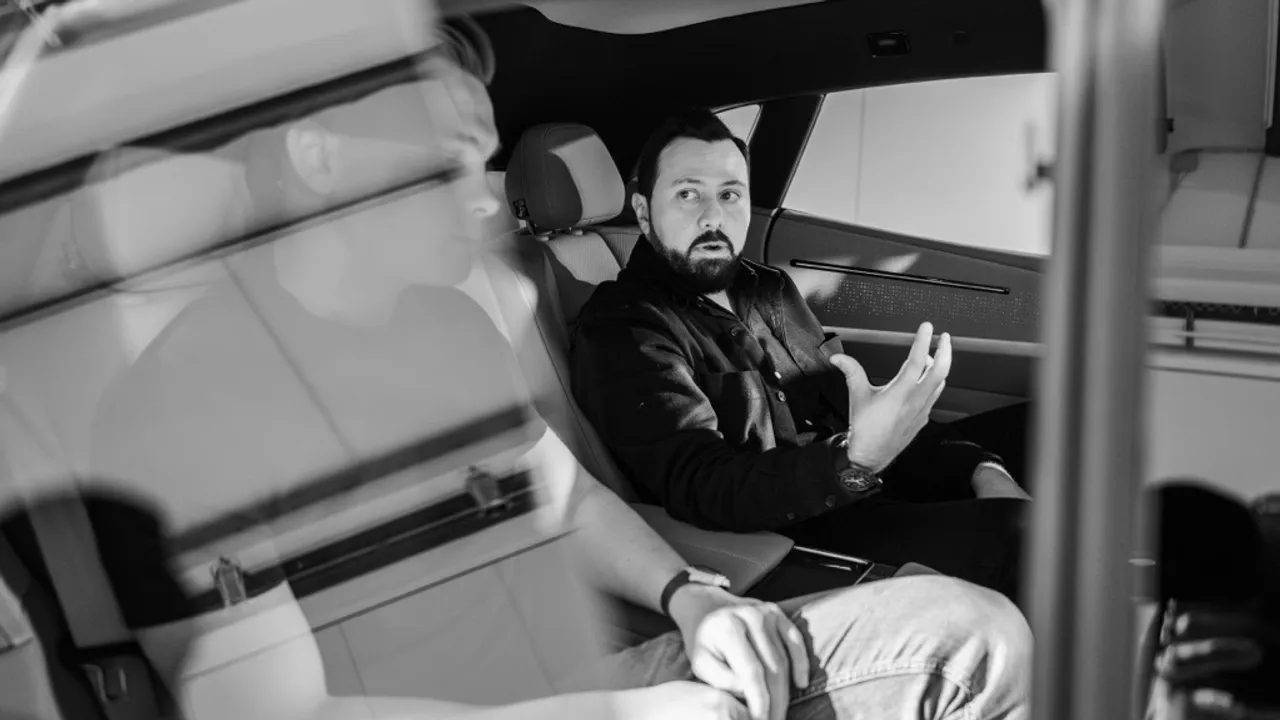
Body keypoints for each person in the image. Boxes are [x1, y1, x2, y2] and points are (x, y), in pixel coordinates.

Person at [40, 27, 1033, 720]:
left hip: (589, 669)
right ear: (322, 154)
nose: (487, 193)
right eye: (454, 148)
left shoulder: (441, 324)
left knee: (971, 633)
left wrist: (690, 598)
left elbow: (561, 502)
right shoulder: (175, 415)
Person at [569, 108, 1033, 598]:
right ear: (643, 213)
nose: (713, 216)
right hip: (795, 533)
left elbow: (851, 410)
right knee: (1024, 536)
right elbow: (703, 486)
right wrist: (853, 461)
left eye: (730, 194)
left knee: (1054, 428)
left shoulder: (767, 288)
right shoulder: (624, 327)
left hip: (861, 476)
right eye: (687, 194)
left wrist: (981, 470)